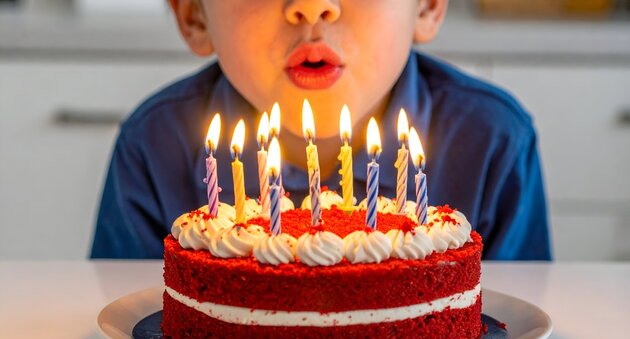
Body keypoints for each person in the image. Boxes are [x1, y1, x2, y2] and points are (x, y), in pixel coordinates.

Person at [91, 0, 551, 260]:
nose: (312, 8)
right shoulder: (154, 146)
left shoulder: (492, 142)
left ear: (427, 6)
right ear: (193, 16)